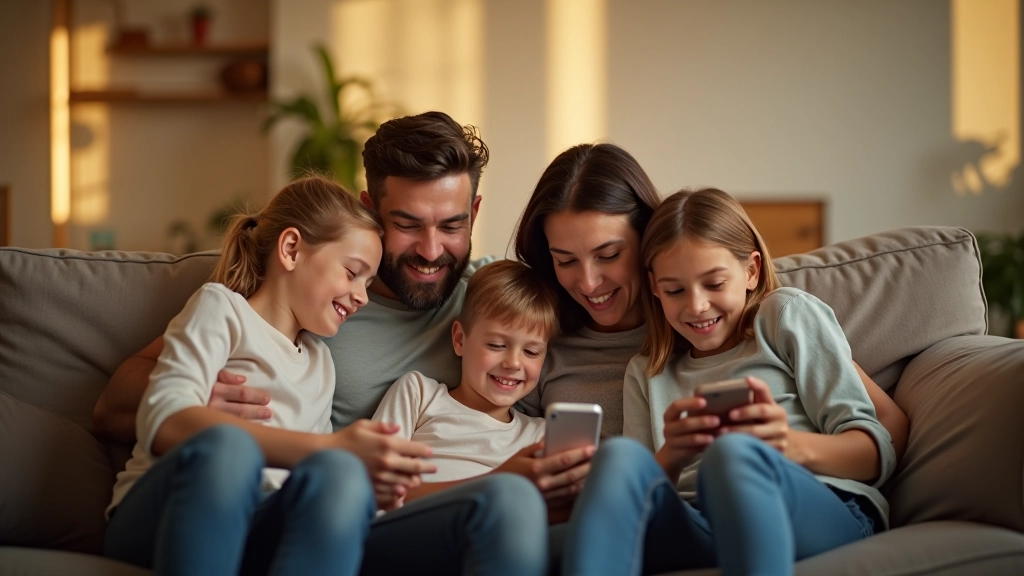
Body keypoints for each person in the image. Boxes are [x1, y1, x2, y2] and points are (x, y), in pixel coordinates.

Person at [92, 111, 568, 574]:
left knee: (364, 482)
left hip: (310, 512)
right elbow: (119, 405)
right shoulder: (275, 307)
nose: (430, 249)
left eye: (451, 225)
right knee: (247, 454)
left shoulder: (487, 301)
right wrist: (205, 409)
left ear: (473, 214)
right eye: (407, 224)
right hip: (204, 492)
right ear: (370, 210)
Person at [561, 188, 897, 575]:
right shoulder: (648, 370)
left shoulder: (783, 316)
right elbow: (641, 492)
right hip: (699, 522)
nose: (696, 305)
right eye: (675, 290)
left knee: (732, 454)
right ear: (654, 287)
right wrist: (673, 454)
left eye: (715, 284)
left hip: (816, 504)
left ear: (751, 271)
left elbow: (876, 451)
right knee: (619, 458)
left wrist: (786, 445)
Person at [513, 143, 908, 455]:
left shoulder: (731, 320)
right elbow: (497, 436)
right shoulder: (539, 341)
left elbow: (881, 424)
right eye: (565, 260)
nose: (588, 282)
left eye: (609, 255)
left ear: (649, 242)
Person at [104, 176, 389, 575]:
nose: (362, 295)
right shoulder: (221, 309)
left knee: (341, 474)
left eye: (369, 282)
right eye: (352, 272)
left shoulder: (321, 362)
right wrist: (325, 447)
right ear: (291, 249)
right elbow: (163, 417)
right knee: (230, 446)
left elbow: (314, 479)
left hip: (259, 521)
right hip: (164, 511)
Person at [372, 259, 574, 512]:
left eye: (531, 352)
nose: (513, 363)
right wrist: (495, 480)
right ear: (460, 339)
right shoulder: (418, 395)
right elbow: (377, 487)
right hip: (415, 526)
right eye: (496, 345)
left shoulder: (540, 435)